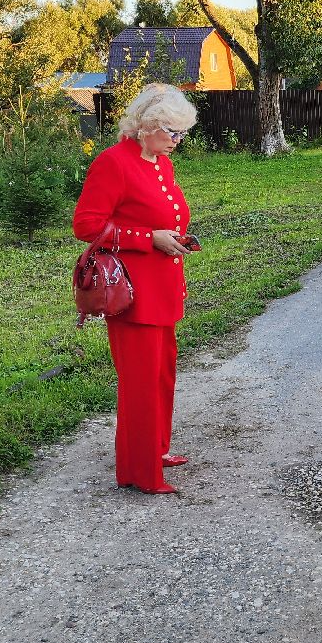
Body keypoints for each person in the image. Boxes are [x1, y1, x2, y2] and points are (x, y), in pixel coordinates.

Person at [73, 82, 198, 494]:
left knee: (162, 376)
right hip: (132, 294)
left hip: (164, 288)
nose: (177, 141)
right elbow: (86, 225)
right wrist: (148, 239)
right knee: (140, 384)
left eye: (182, 133)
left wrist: (174, 238)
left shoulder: (161, 163)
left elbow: (163, 215)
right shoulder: (113, 163)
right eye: (171, 132)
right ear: (145, 125)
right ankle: (141, 473)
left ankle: (154, 451)